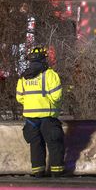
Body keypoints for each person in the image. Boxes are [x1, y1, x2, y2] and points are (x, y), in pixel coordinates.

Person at [16, 46, 64, 178]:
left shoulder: (24, 77)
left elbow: (19, 97)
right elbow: (57, 96)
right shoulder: (50, 75)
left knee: (36, 145)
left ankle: (38, 172)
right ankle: (57, 172)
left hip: (31, 119)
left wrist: (31, 103)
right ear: (44, 60)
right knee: (55, 144)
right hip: (48, 117)